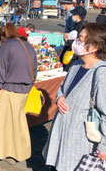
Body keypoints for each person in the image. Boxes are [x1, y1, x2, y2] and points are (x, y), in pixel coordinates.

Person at [44, 23, 106, 171]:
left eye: (82, 39)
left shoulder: (101, 73)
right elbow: (62, 88)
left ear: (95, 47)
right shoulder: (77, 64)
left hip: (80, 144)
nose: (77, 41)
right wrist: (60, 98)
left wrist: (103, 146)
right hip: (62, 136)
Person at [0, 23, 37, 169]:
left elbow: (0, 71)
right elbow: (34, 69)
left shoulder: (7, 46)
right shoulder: (28, 46)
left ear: (3, 36)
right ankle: (18, 154)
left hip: (8, 90)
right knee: (17, 124)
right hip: (24, 91)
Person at [61, 6, 87, 71]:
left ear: (79, 16)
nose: (73, 16)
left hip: (75, 55)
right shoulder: (79, 24)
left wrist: (67, 40)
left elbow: (78, 42)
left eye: (75, 14)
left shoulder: (80, 26)